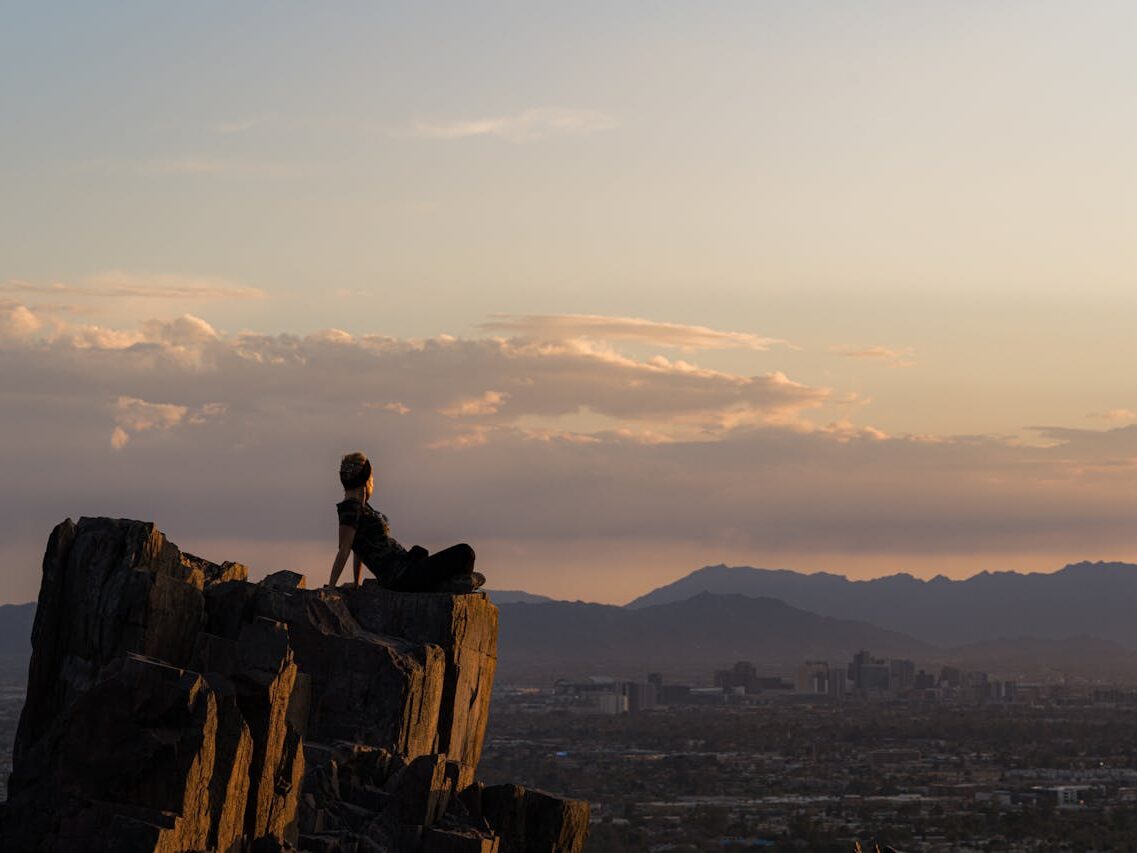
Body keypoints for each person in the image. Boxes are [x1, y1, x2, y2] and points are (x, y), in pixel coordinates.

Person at [328, 451, 484, 593]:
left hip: (406, 568)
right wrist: (331, 588)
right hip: (402, 575)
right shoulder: (350, 509)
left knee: (465, 560)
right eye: (372, 478)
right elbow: (344, 549)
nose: (373, 482)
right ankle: (452, 585)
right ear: (366, 478)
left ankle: (450, 583)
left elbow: (358, 549)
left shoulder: (361, 508)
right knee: (465, 553)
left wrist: (356, 582)